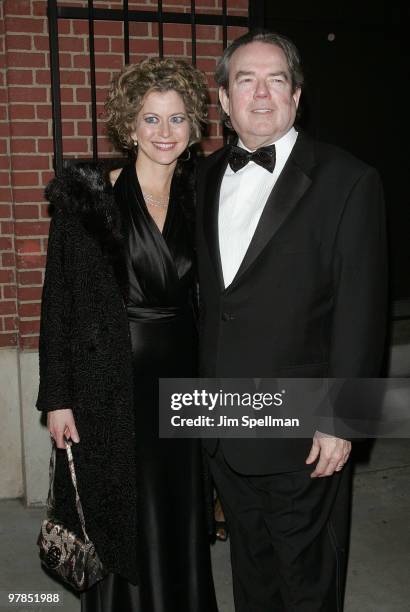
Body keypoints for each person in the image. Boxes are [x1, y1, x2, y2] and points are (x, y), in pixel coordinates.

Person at [196, 30, 387, 611]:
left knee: (307, 580)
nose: (260, 94)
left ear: (296, 95)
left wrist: (343, 421)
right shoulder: (201, 178)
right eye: (244, 80)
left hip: (305, 431)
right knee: (250, 573)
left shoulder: (348, 181)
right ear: (224, 102)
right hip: (221, 422)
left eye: (276, 79)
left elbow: (364, 311)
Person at [37, 57, 218, 612]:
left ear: (194, 126)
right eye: (151, 119)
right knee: (118, 507)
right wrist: (58, 398)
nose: (165, 133)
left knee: (179, 505)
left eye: (177, 119)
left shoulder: (205, 196)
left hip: (185, 378)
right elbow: (59, 301)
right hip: (109, 383)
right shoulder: (91, 198)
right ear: (129, 124)